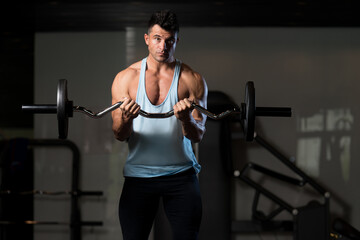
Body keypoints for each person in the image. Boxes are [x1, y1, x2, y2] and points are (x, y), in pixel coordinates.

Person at [111, 9, 208, 240]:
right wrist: (126, 118)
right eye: (157, 39)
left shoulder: (191, 79)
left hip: (181, 175)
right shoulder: (126, 78)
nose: (162, 46)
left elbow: (198, 135)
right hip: (139, 176)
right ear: (147, 39)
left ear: (176, 40)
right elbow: (118, 133)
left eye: (169, 40)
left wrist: (185, 119)